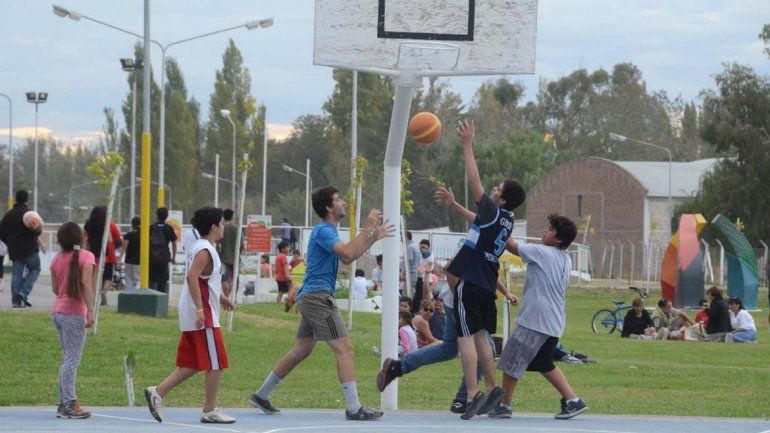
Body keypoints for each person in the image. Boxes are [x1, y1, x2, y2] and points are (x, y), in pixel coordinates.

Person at [249, 186, 393, 421]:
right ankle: (354, 408)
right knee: (345, 348)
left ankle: (261, 395)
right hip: (317, 298)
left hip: (310, 296)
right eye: (339, 200)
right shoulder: (324, 230)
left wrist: (373, 237)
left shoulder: (328, 232)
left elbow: (349, 255)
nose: (343, 202)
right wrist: (367, 228)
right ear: (329, 207)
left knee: (300, 351)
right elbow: (347, 253)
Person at [437, 120, 526, 419]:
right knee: (480, 337)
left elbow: (473, 179)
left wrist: (467, 144)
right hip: (487, 286)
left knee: (465, 339)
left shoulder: (492, 209)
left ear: (500, 198)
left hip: (470, 284)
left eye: (497, 188)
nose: (493, 188)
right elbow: (477, 218)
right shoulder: (506, 220)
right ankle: (492, 386)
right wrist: (454, 205)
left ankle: (473, 393)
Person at [377, 259, 518, 415]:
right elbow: (450, 268)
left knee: (449, 349)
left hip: (464, 302)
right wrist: (460, 298)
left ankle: (398, 367)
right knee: (484, 347)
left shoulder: (490, 243)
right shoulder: (477, 239)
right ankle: (467, 399)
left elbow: (489, 271)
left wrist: (506, 292)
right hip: (463, 304)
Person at [145, 207, 236, 424]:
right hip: (201, 313)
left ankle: (158, 392)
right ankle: (210, 409)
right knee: (216, 362)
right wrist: (200, 309)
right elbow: (191, 277)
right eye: (221, 224)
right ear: (214, 227)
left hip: (196, 310)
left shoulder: (200, 247)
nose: (223, 227)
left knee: (195, 362)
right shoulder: (205, 250)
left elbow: (205, 279)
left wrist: (221, 297)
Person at [495, 214, 588, 420]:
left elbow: (510, 246)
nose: (545, 230)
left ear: (559, 239)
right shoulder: (565, 257)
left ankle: (504, 405)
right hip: (553, 321)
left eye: (551, 229)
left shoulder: (542, 252)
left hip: (535, 320)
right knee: (541, 362)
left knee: (511, 360)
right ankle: (573, 400)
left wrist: (501, 221)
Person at [50, 222, 95, 419]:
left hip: (58, 312)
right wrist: (91, 311)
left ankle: (63, 403)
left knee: (67, 357)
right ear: (82, 237)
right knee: (71, 359)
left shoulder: (56, 259)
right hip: (74, 313)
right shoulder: (87, 257)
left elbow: (55, 289)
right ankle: (69, 403)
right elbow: (86, 284)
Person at [0, 190, 43, 308]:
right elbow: (38, 230)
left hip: (15, 250)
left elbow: (1, 233)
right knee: (35, 268)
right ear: (27, 200)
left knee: (16, 274)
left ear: (15, 199)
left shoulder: (8, 215)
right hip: (30, 249)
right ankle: (23, 292)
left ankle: (16, 302)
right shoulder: (30, 214)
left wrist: (9, 243)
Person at [83, 206, 121, 306]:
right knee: (96, 276)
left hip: (90, 251)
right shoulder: (105, 224)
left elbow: (83, 236)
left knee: (89, 276)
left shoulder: (88, 223)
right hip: (100, 253)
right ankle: (93, 297)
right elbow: (110, 240)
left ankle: (88, 295)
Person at [149, 207, 177, 293]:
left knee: (151, 279)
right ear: (167, 216)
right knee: (162, 280)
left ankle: (150, 297)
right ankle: (161, 298)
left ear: (157, 215)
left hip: (151, 258)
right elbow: (174, 243)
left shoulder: (152, 227)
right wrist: (173, 257)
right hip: (164, 257)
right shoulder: (169, 228)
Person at [121, 217, 141, 291]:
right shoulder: (144, 236)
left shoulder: (128, 235)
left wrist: (120, 259)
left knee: (128, 279)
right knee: (138, 279)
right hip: (139, 261)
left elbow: (124, 248)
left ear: (132, 225)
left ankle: (128, 294)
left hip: (129, 260)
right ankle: (136, 295)